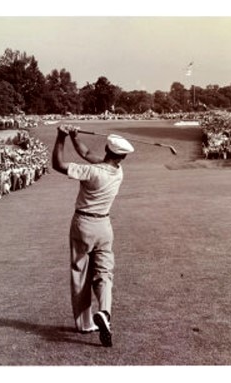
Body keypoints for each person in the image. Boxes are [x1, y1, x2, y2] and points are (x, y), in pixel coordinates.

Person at [52, 125, 134, 347]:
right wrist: (75, 137)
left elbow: (57, 164)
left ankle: (85, 323)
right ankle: (105, 312)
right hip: (104, 226)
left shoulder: (92, 172)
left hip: (83, 224)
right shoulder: (118, 172)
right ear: (123, 156)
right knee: (104, 273)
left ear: (107, 149)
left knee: (80, 272)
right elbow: (87, 154)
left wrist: (61, 137)